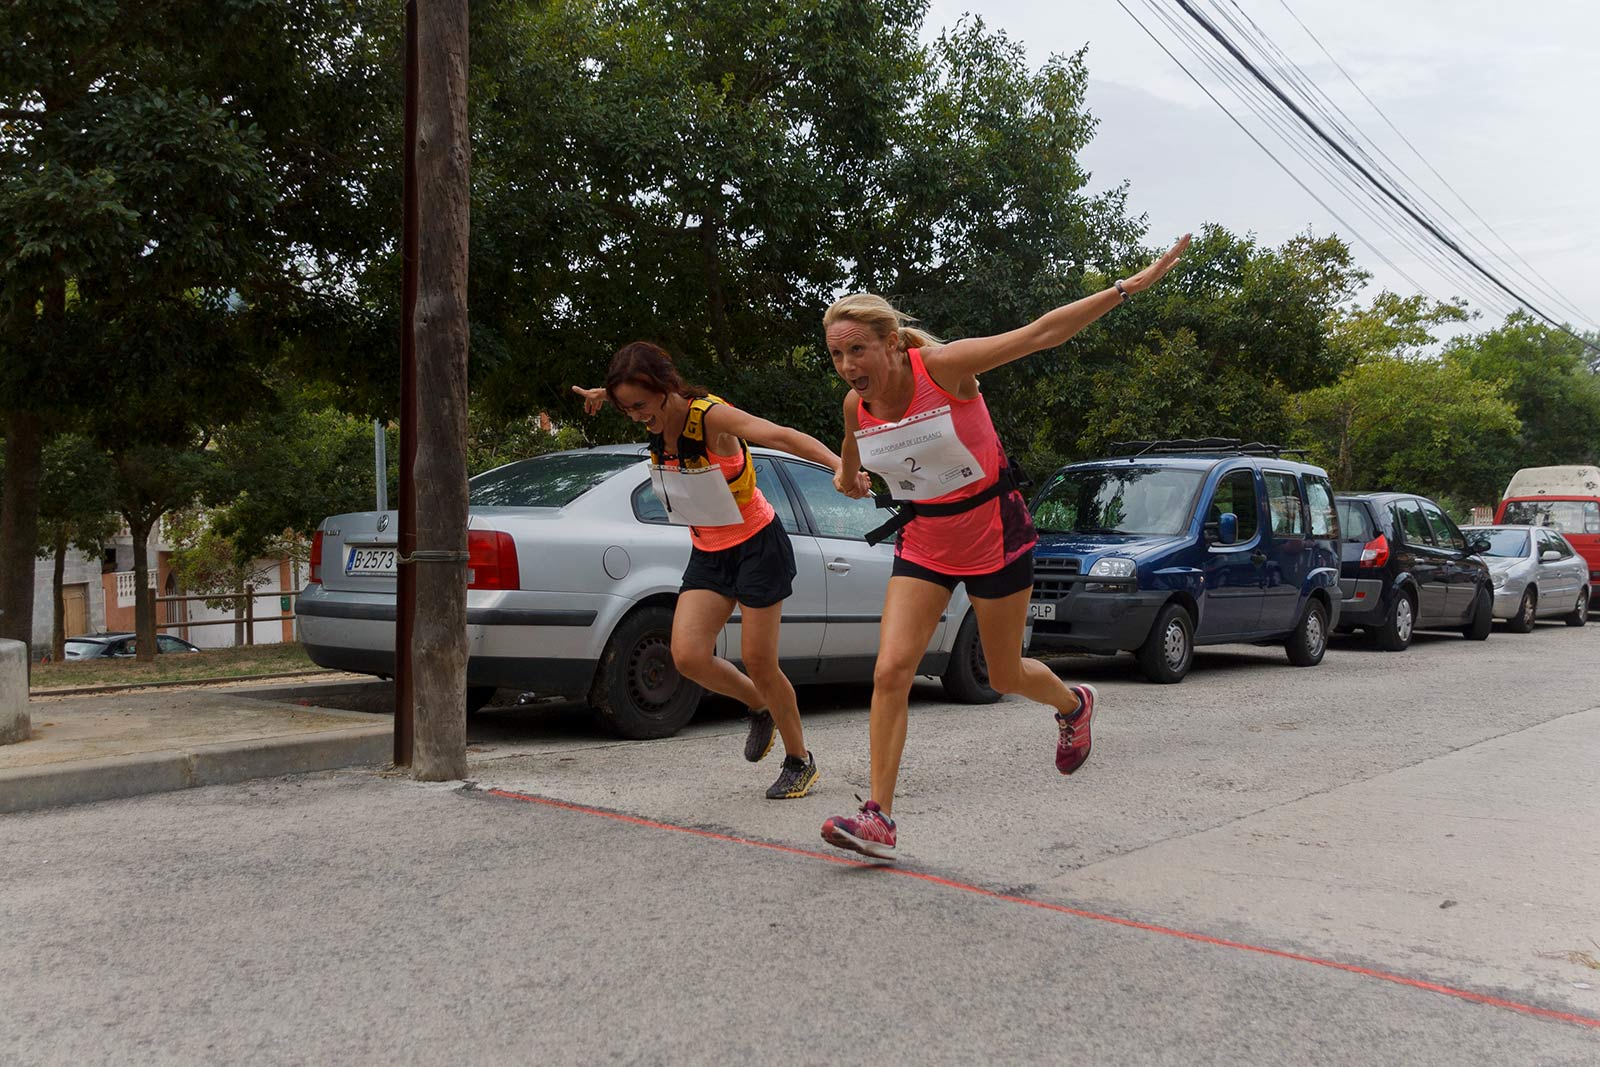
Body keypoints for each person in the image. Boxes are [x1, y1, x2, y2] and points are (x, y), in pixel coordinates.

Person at [817, 235, 1191, 860]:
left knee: (1004, 672)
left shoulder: (944, 368)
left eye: (858, 349)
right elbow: (852, 460)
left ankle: (1074, 703)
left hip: (995, 532)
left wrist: (1127, 287)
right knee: (891, 670)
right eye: (837, 354)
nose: (848, 364)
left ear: (892, 343)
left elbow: (1041, 333)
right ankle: (878, 816)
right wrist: (848, 478)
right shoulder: (858, 404)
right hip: (926, 539)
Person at [573, 342, 868, 799]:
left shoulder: (711, 418)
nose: (635, 416)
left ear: (665, 388)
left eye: (640, 406)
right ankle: (760, 705)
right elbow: (627, 396)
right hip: (709, 551)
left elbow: (784, 436)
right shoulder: (650, 413)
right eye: (625, 407)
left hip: (757, 545)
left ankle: (800, 760)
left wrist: (841, 468)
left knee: (760, 661)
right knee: (688, 655)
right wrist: (602, 394)